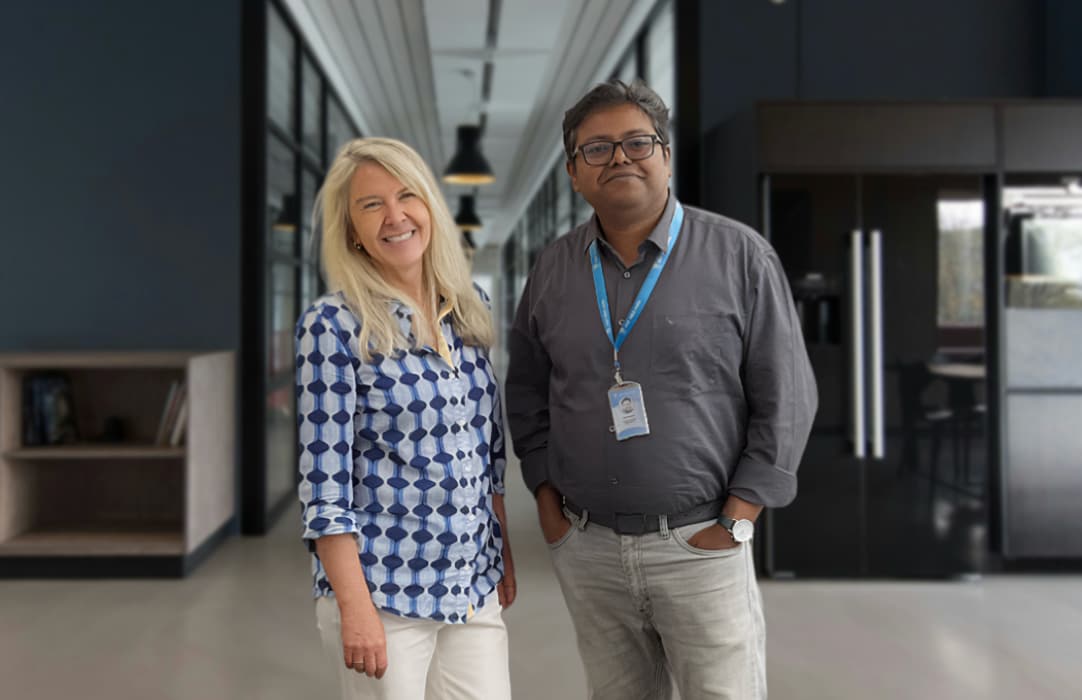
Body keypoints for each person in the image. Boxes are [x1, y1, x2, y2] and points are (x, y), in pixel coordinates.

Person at [506, 79, 817, 699]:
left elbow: (786, 397)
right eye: (597, 149)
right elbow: (527, 391)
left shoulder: (739, 257)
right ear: (574, 172)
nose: (619, 158)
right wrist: (548, 504)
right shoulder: (554, 268)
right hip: (587, 545)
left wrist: (736, 522)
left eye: (637, 142)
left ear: (666, 156)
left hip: (700, 543)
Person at [295, 137, 515, 700]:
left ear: (430, 207)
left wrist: (501, 552)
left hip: (472, 584)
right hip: (385, 593)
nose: (395, 216)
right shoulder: (334, 325)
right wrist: (355, 610)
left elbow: (487, 455)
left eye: (406, 196)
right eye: (371, 205)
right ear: (351, 230)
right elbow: (324, 489)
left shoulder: (468, 311)